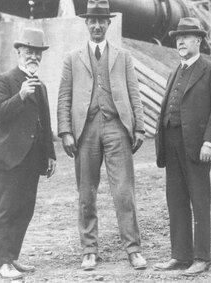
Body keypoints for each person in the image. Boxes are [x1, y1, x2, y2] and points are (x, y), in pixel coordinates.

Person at [57, 0, 147, 271]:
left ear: (109, 24)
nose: (97, 26)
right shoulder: (72, 58)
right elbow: (64, 98)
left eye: (102, 21)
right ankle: (89, 250)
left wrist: (139, 126)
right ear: (86, 24)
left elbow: (134, 94)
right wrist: (65, 132)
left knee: (123, 192)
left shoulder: (123, 56)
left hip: (117, 127)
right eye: (92, 21)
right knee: (86, 192)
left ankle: (133, 250)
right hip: (85, 130)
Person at [154, 17, 211, 276]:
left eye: (186, 37)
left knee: (199, 202)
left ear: (198, 40)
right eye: (178, 38)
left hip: (198, 147)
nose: (181, 42)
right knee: (176, 201)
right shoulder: (176, 70)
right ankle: (181, 255)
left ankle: (201, 257)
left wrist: (210, 142)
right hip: (172, 145)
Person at [0, 28, 56, 279]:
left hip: (31, 160)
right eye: (29, 51)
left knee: (25, 209)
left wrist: (50, 155)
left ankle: (12, 257)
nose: (33, 57)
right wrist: (21, 96)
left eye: (37, 53)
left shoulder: (42, 86)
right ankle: (1, 262)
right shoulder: (5, 80)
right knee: (6, 210)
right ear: (18, 52)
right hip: (8, 159)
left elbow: (45, 123)